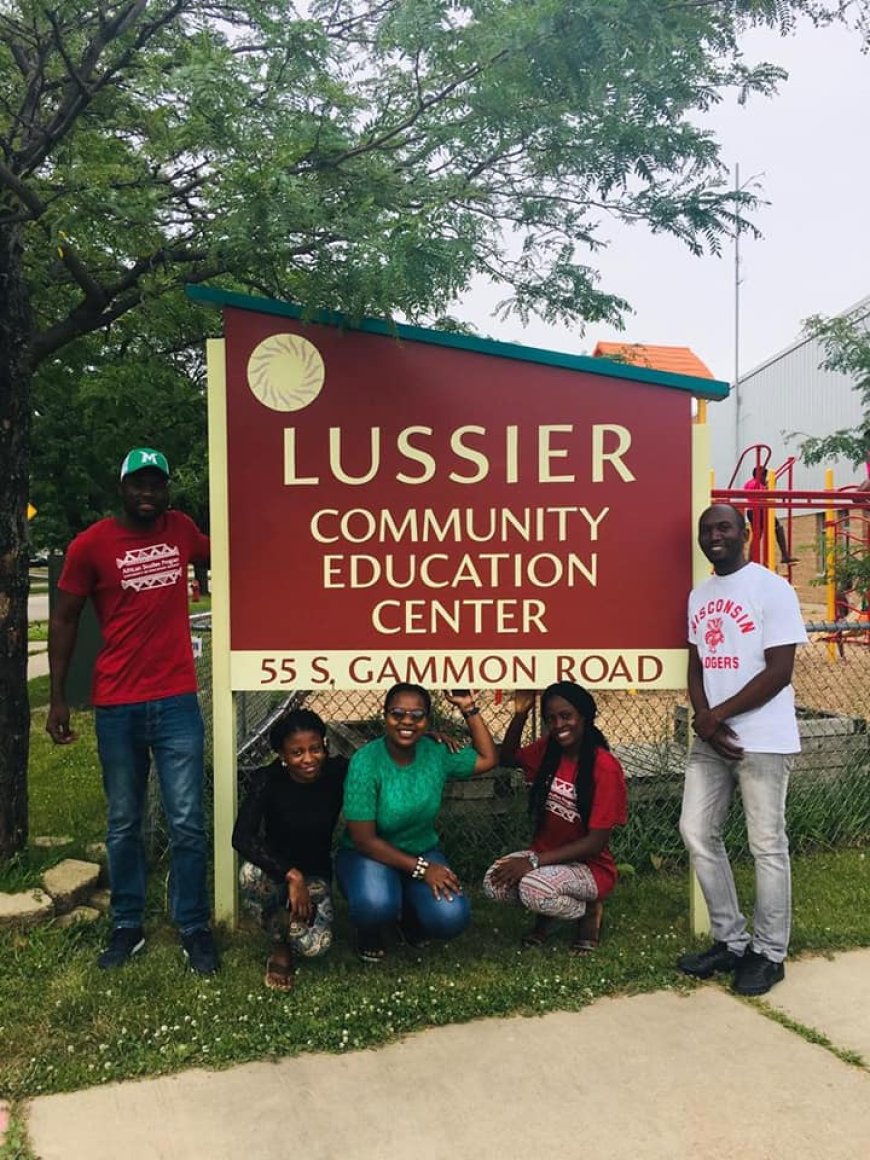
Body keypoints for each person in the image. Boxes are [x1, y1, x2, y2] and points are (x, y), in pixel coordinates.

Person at [46, 448, 218, 975]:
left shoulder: (182, 530)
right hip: (116, 703)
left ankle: (192, 925)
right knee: (124, 821)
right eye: (138, 484)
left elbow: (230, 553)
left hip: (175, 701)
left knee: (188, 819)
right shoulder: (90, 545)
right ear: (121, 488)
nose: (148, 493)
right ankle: (128, 924)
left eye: (157, 485)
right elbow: (66, 618)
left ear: (167, 490)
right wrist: (57, 697)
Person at [677, 503, 808, 996]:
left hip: (763, 738)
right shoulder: (699, 596)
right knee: (695, 830)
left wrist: (719, 715)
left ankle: (770, 953)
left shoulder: (772, 589)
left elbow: (779, 670)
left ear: (745, 533)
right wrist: (706, 721)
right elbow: (696, 665)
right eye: (707, 530)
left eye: (724, 527)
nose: (715, 536)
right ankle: (730, 941)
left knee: (767, 845)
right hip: (714, 738)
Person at [337, 683, 498, 962]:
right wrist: (423, 870)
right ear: (384, 715)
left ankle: (410, 919)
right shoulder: (366, 761)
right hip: (368, 854)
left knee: (450, 918)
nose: (407, 722)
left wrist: (468, 708)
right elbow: (363, 839)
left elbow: (487, 759)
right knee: (375, 904)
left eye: (417, 715)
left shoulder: (435, 752)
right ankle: (370, 929)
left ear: (427, 720)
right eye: (397, 713)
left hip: (419, 848)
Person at [483, 683, 627, 953]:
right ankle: (549, 913)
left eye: (566, 716)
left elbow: (596, 842)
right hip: (547, 858)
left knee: (533, 889)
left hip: (591, 868)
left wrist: (533, 862)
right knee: (494, 883)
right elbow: (508, 758)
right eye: (551, 718)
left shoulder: (604, 766)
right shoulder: (549, 749)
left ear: (584, 716)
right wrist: (520, 713)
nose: (558, 724)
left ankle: (588, 910)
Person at [232, 709, 347, 991]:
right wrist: (291, 875)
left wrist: (423, 738)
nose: (308, 759)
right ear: (282, 756)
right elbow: (242, 837)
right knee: (249, 875)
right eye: (297, 753)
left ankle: (293, 923)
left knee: (314, 946)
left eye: (315, 749)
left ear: (325, 746)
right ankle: (279, 942)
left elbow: (381, 759)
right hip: (275, 872)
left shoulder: (337, 772)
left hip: (316, 873)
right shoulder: (268, 780)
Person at [744, 465, 798, 565]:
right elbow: (764, 494)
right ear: (760, 475)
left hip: (753, 510)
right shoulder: (756, 484)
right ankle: (784, 555)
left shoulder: (749, 483)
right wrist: (769, 486)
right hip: (759, 510)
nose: (765, 479)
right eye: (764, 476)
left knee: (757, 534)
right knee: (777, 527)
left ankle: (750, 560)